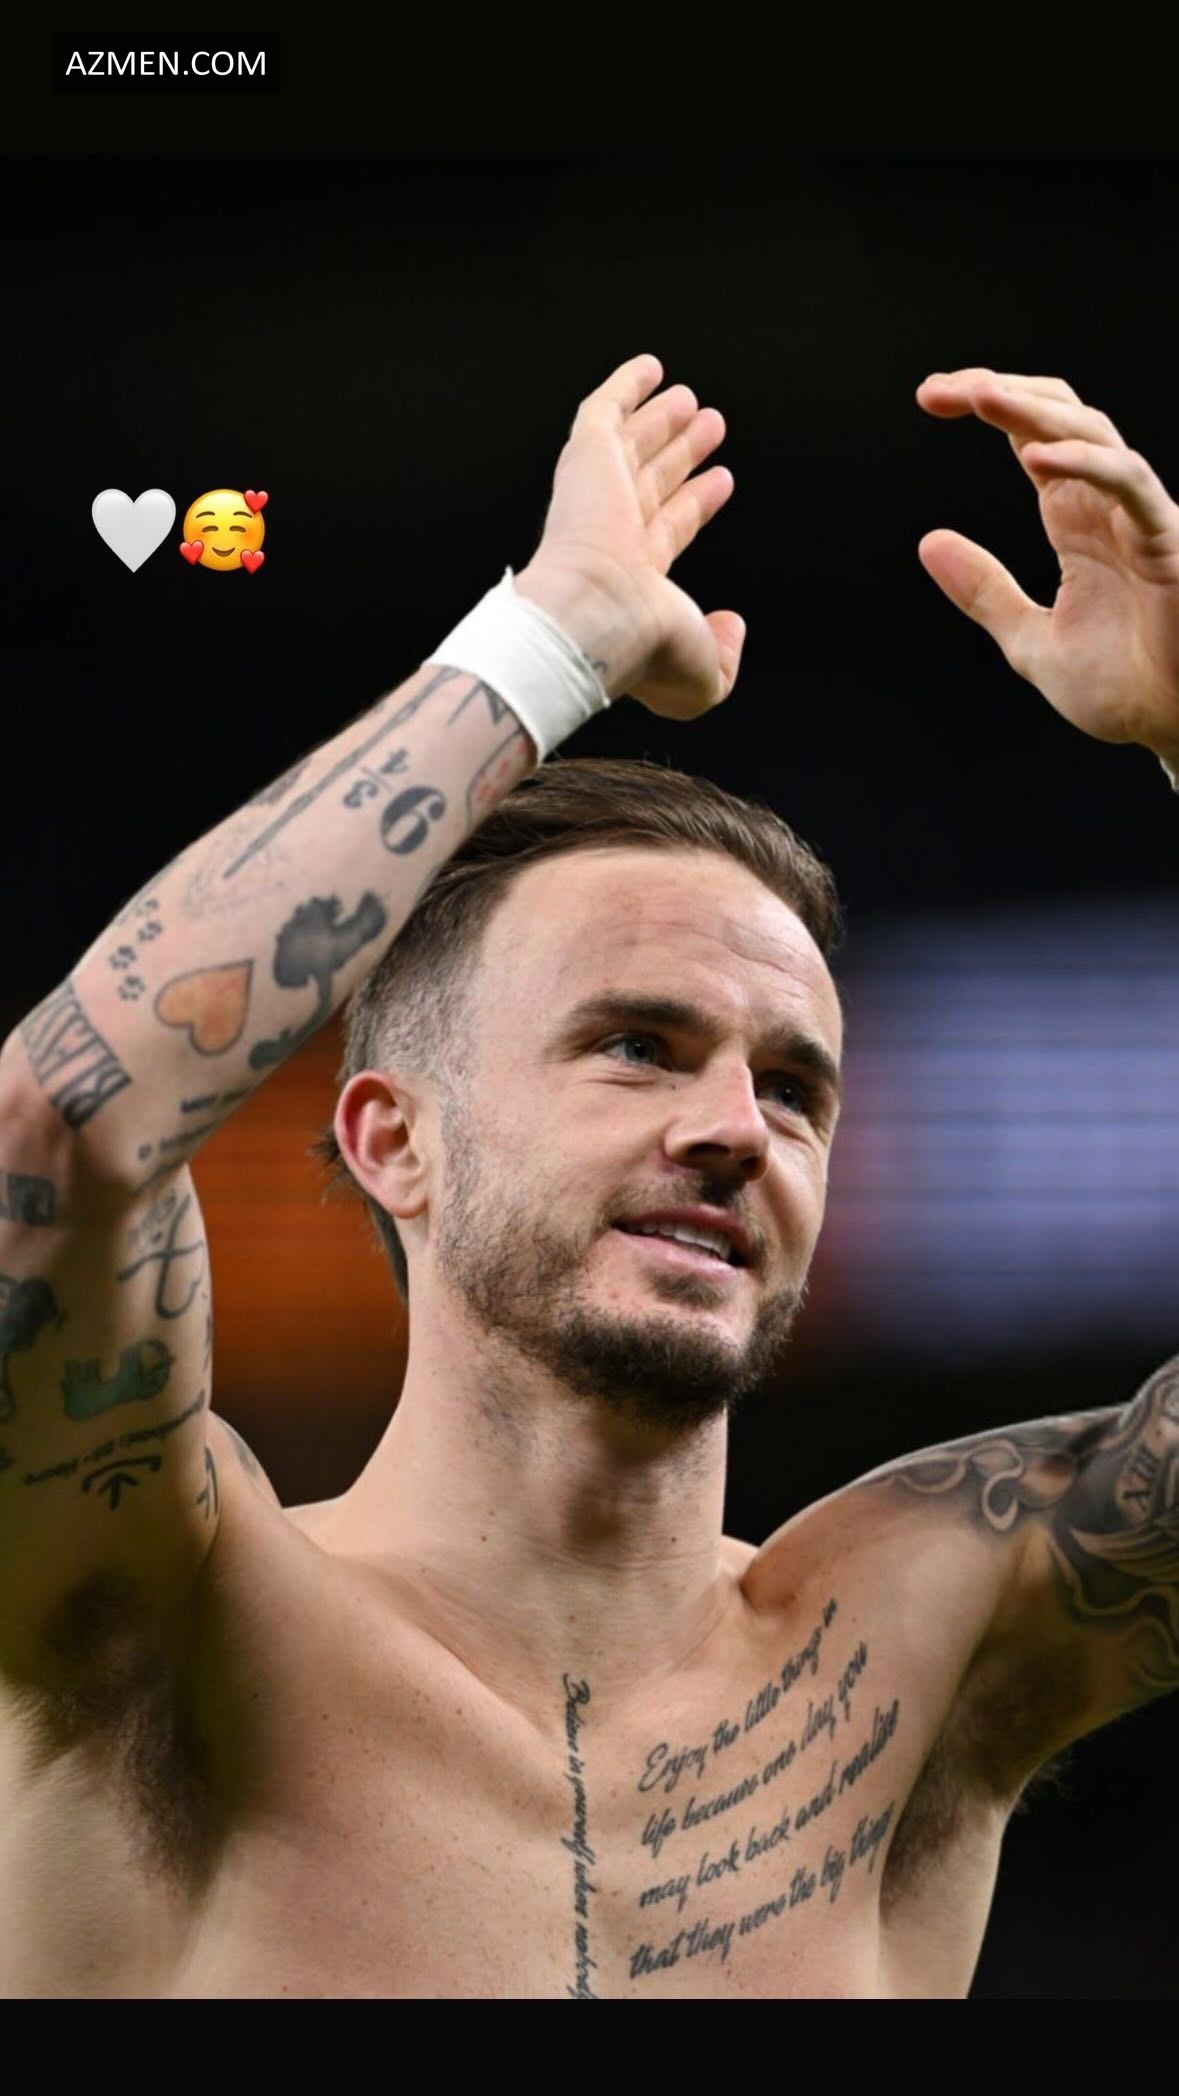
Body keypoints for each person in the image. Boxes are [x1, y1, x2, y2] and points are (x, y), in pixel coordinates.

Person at [1, 356, 1176, 1999]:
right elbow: (64, 1125)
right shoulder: (166, 1621)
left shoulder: (925, 1645)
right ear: (392, 1139)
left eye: (794, 1088)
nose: (735, 1127)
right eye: (634, 1044)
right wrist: (550, 640)